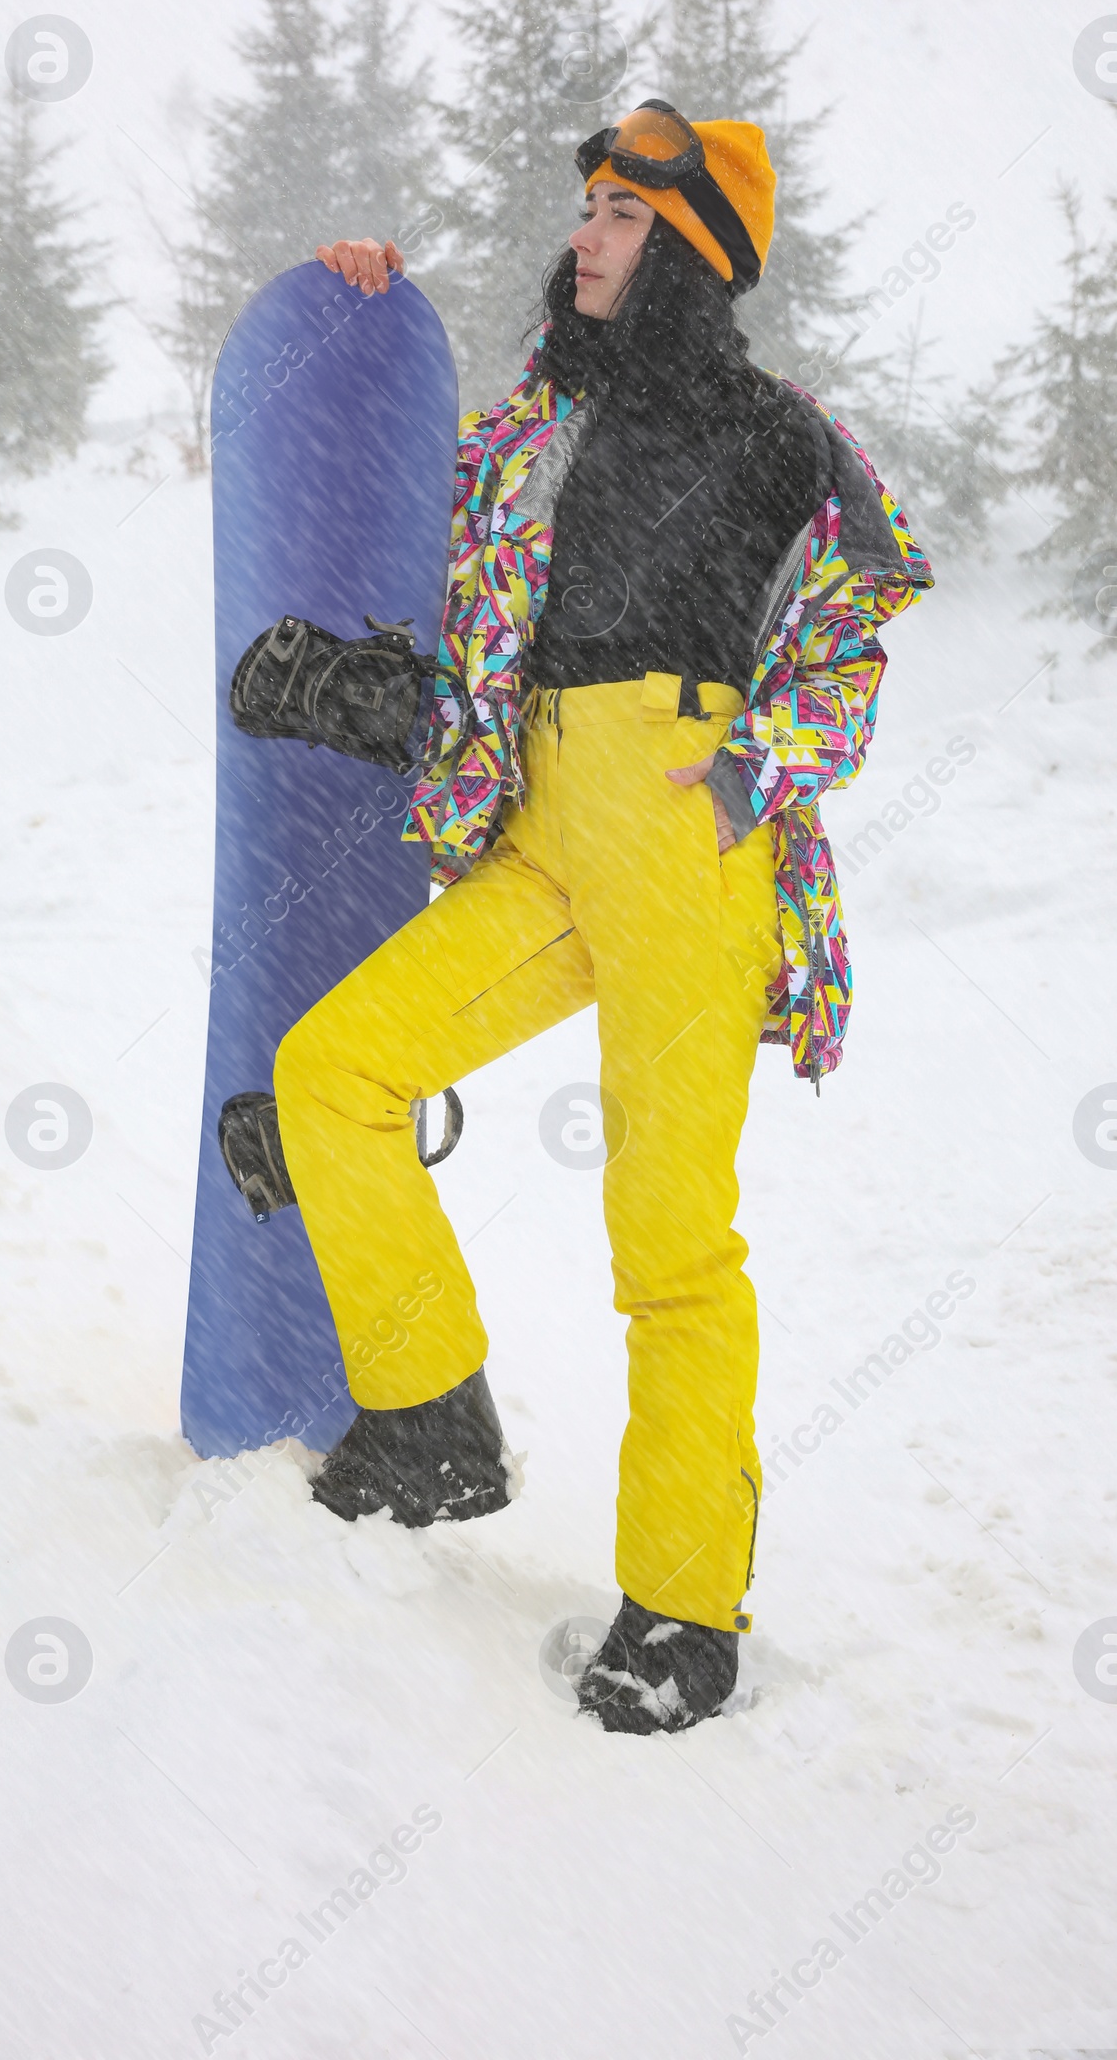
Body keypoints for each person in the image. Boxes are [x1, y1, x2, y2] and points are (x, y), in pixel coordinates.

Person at [274, 102, 932, 1735]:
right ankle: (430, 1420)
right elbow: (399, 507)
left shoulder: (781, 437)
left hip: (686, 840)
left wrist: (740, 784)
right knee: (336, 1068)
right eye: (588, 209)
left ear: (693, 251)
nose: (584, 237)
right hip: (547, 823)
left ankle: (682, 1611)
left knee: (668, 1245)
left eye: (623, 216)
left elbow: (864, 615)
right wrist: (357, 312)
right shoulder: (536, 427)